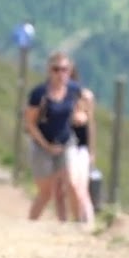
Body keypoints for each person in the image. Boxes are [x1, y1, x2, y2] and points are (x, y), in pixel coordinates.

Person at [24, 51, 82, 222]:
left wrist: (80, 116)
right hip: (43, 144)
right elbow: (30, 123)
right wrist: (46, 145)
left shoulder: (73, 90)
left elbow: (82, 106)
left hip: (66, 142)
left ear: (70, 70)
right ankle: (31, 223)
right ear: (49, 71)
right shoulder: (39, 94)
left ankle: (77, 224)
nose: (60, 74)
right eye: (56, 70)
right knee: (46, 192)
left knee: (71, 183)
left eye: (64, 69)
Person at [65, 66, 97, 225]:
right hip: (67, 145)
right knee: (72, 182)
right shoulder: (59, 98)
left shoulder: (86, 97)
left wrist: (92, 150)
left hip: (82, 147)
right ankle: (78, 217)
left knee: (82, 184)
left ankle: (87, 220)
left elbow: (91, 124)